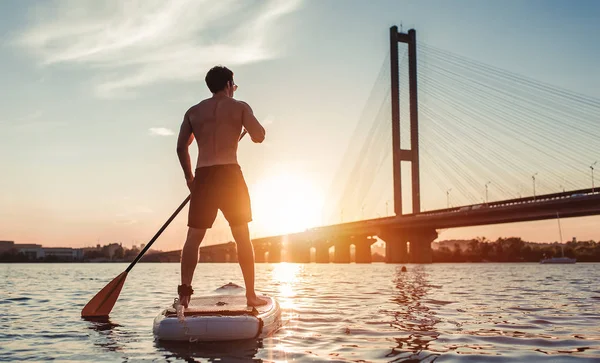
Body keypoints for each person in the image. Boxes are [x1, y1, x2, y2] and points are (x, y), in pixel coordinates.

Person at [175, 65, 268, 308]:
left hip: (203, 175)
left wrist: (190, 180)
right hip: (229, 176)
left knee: (193, 238)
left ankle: (184, 296)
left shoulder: (193, 112)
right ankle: (250, 295)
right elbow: (259, 136)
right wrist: (248, 124)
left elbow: (181, 147)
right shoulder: (239, 107)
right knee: (242, 236)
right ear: (229, 85)